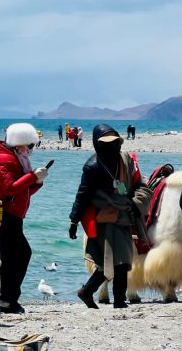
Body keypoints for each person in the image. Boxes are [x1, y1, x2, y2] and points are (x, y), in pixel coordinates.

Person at [68, 125, 152, 309]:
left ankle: (90, 292)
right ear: (98, 146)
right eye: (107, 144)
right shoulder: (92, 167)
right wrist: (74, 220)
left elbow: (138, 183)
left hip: (124, 214)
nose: (113, 148)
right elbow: (83, 195)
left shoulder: (126, 160)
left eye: (115, 143)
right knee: (116, 262)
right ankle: (116, 300)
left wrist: (136, 203)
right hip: (103, 218)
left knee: (120, 261)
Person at [0, 123, 50, 314]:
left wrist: (37, 181)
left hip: (12, 213)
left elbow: (22, 191)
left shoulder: (16, 157)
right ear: (19, 144)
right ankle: (3, 295)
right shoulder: (4, 159)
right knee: (20, 254)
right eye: (30, 146)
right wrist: (32, 176)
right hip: (5, 214)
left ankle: (4, 297)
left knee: (15, 255)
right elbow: (9, 188)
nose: (32, 150)